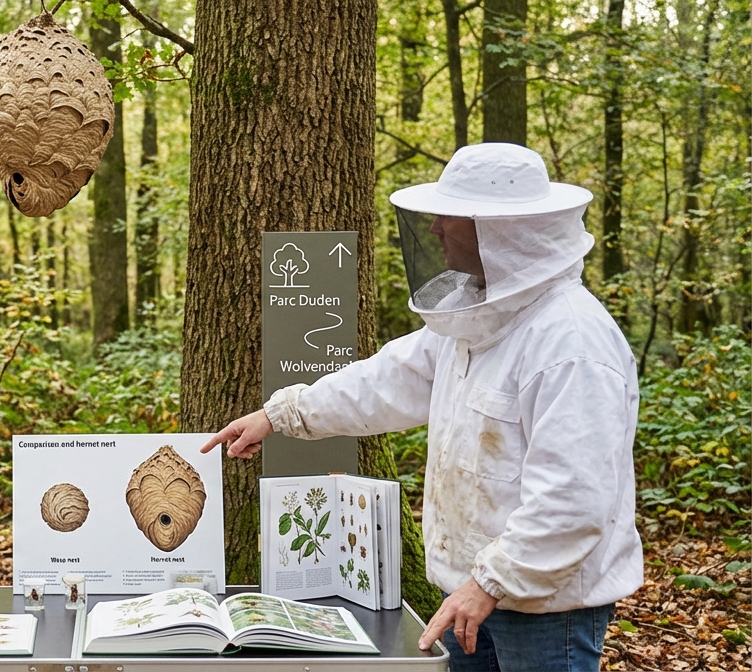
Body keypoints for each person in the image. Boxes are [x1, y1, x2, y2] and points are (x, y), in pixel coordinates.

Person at [201, 144, 642, 671]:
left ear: (492, 229)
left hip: (545, 608)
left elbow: (574, 500)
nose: (433, 229)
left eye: (448, 216)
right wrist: (281, 414)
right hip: (470, 593)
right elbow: (386, 380)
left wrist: (489, 583)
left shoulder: (570, 344)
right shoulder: (478, 320)